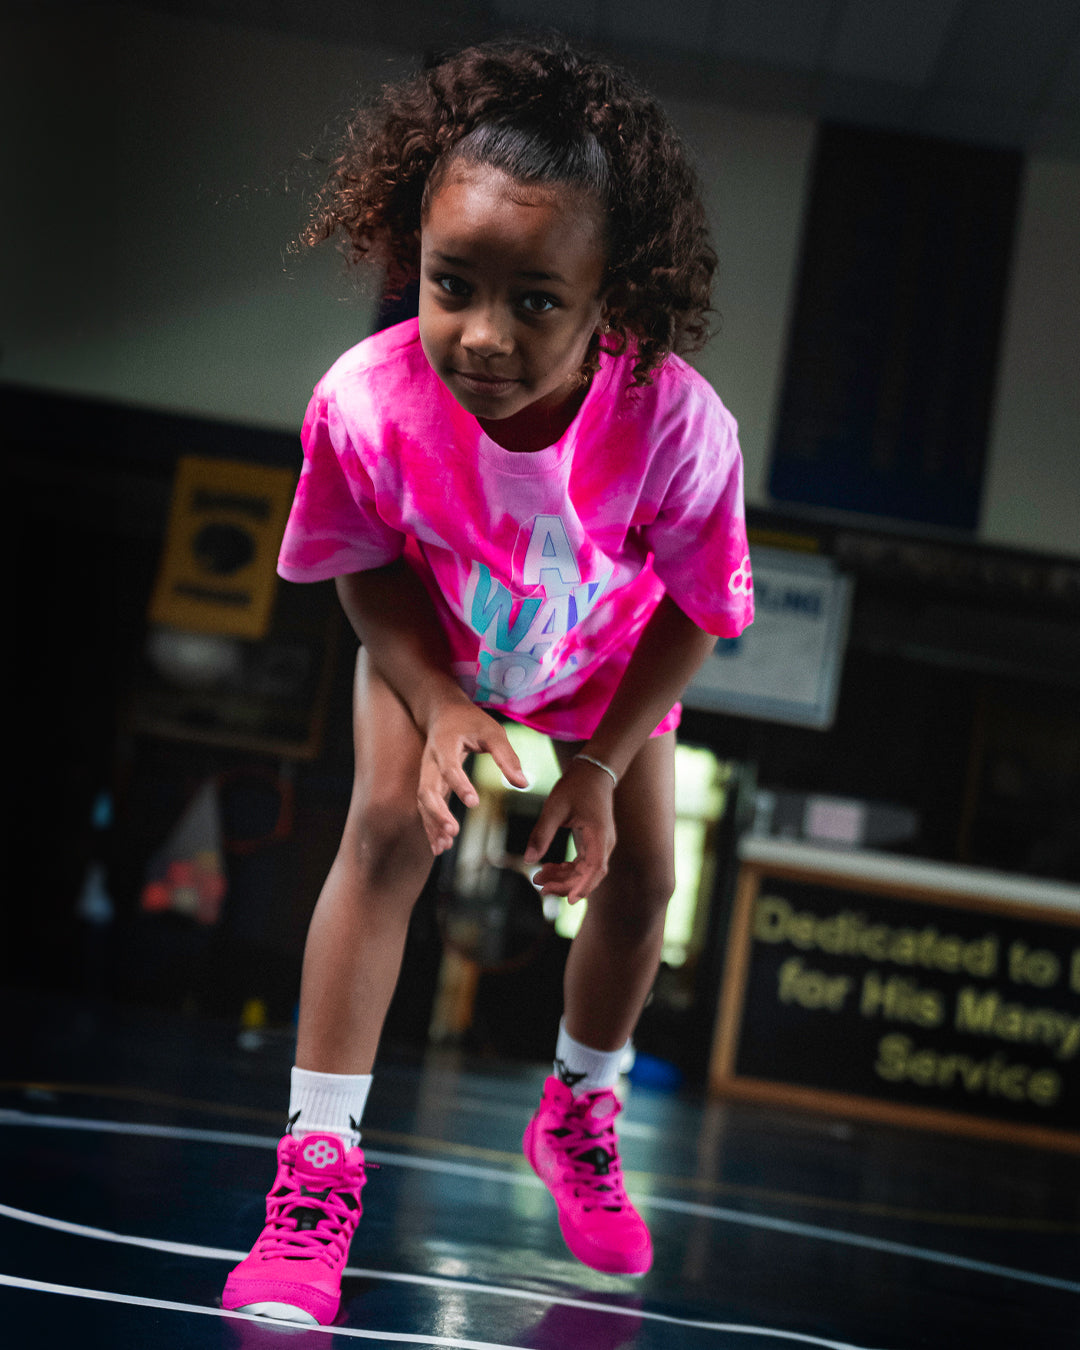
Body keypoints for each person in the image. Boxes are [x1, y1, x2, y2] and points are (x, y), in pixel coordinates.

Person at [222, 36, 754, 1327]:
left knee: (646, 878)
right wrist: (436, 697)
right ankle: (314, 1174)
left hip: (604, 668)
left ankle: (579, 1105)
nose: (484, 336)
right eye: (452, 284)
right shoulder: (365, 403)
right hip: (435, 642)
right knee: (386, 827)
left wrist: (601, 765)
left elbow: (697, 607)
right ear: (410, 251)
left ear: (608, 299)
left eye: (536, 303)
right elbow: (357, 569)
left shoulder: (677, 425)